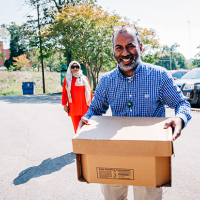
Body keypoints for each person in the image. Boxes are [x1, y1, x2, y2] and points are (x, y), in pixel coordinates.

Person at [80, 25, 192, 200]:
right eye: (119, 47)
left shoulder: (159, 76)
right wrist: (87, 118)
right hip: (113, 154)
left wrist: (180, 118)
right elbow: (95, 109)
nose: (125, 53)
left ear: (140, 47)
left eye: (130, 46)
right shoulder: (106, 81)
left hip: (150, 154)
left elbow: (181, 103)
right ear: (113, 51)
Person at [62, 61, 93, 134]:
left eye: (77, 67)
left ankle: (87, 144)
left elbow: (89, 92)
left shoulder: (84, 78)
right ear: (70, 68)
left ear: (79, 68)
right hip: (73, 107)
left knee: (86, 128)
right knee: (77, 129)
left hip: (85, 107)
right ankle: (79, 144)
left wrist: (92, 105)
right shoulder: (67, 79)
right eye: (73, 67)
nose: (75, 68)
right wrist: (64, 105)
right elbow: (64, 93)